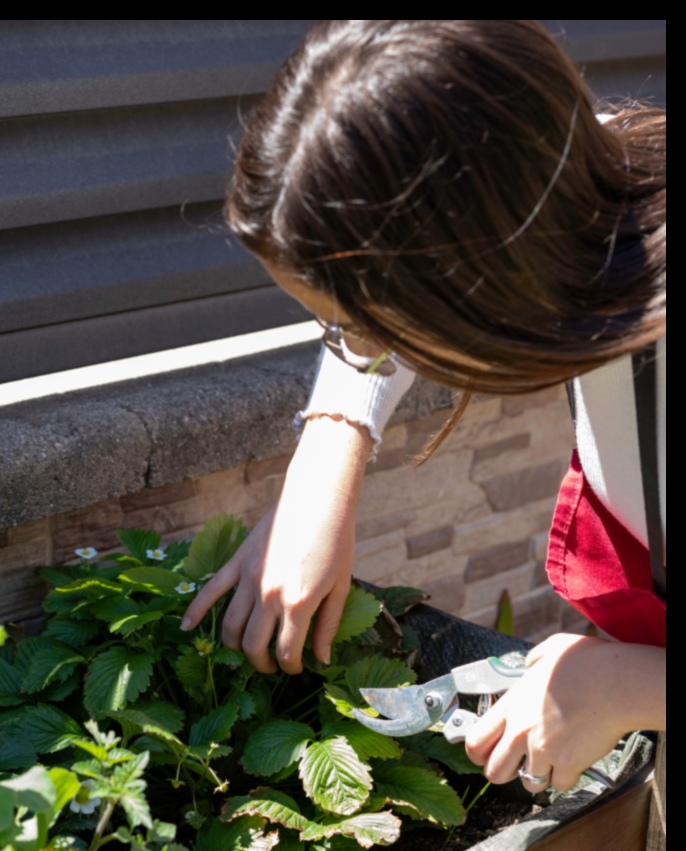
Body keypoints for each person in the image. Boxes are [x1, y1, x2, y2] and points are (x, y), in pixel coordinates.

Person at [180, 20, 665, 793]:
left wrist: (631, 687)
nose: (357, 347)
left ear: (479, 284)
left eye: (368, 324)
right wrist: (327, 455)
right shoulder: (579, 181)